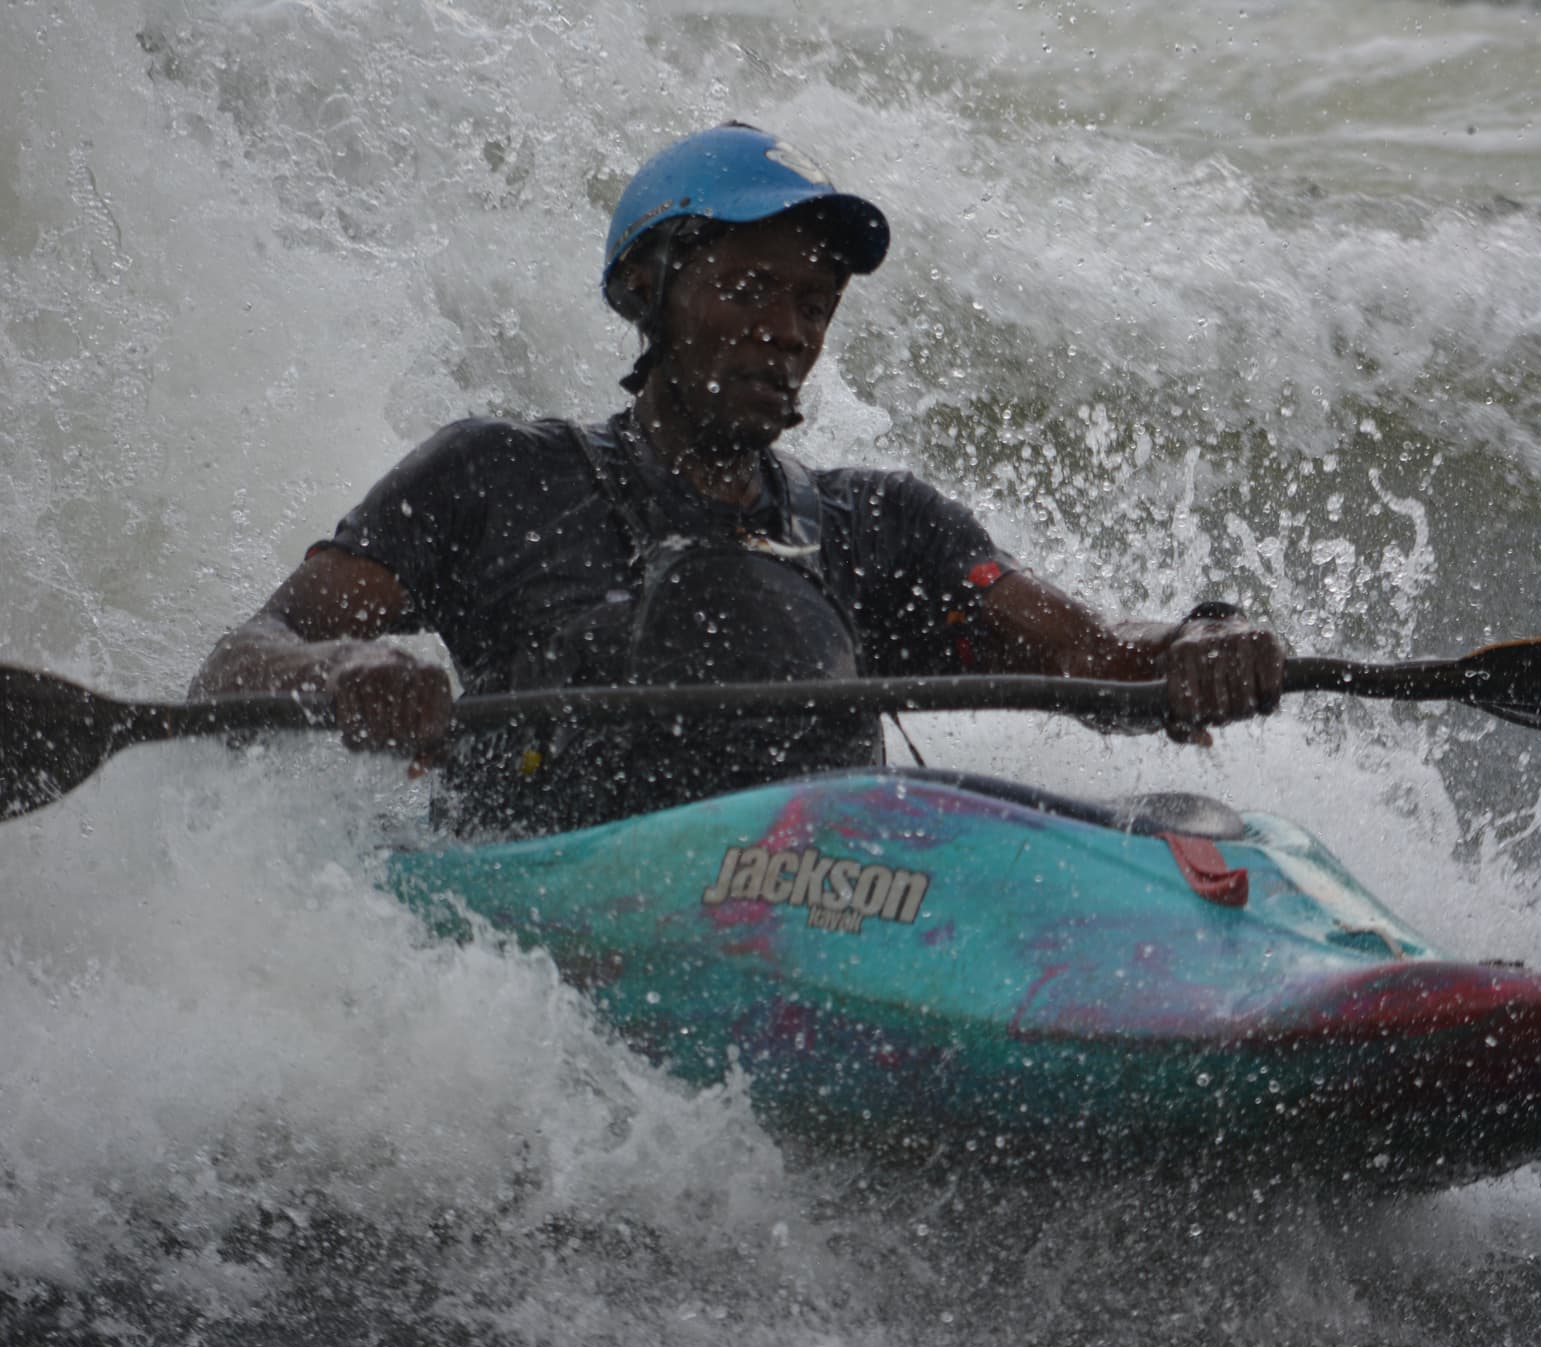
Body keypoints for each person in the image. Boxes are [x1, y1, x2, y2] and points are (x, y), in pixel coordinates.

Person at [191, 123, 1285, 836]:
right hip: (559, 918)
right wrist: (344, 672)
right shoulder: (495, 475)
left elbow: (1092, 661)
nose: (784, 333)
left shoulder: (881, 525)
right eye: (749, 289)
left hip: (835, 915)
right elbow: (242, 661)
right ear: (644, 291)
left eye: (812, 306)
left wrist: (1196, 642)